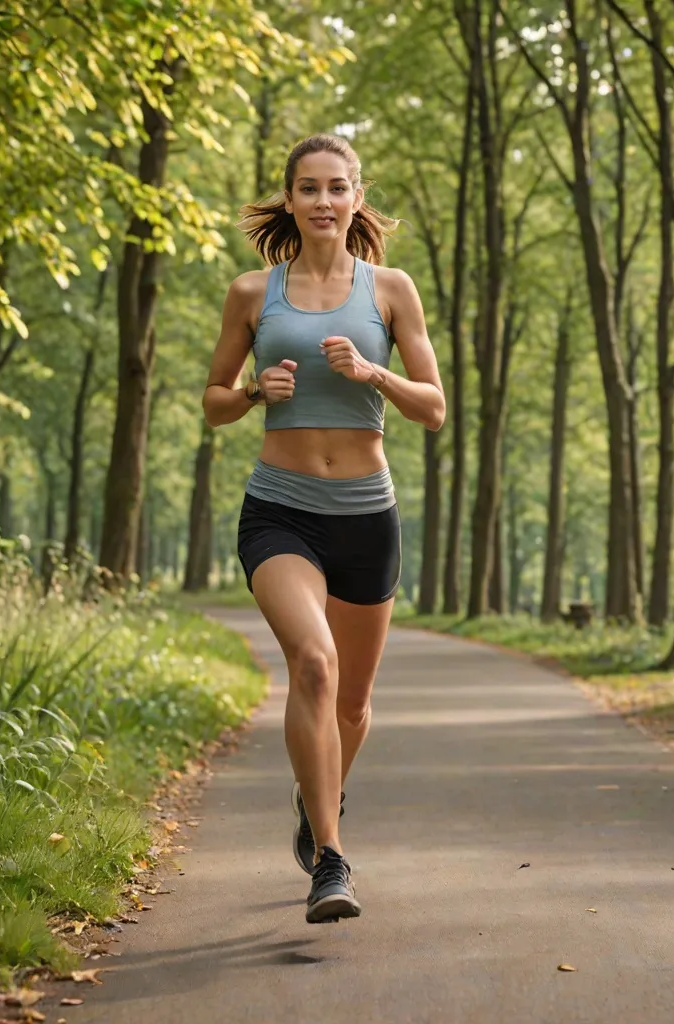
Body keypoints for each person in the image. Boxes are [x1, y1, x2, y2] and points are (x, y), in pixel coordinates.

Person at [202, 133, 445, 924]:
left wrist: (373, 373)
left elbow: (434, 408)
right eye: (308, 188)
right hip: (280, 509)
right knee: (313, 663)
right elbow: (213, 401)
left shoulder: (391, 290)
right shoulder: (252, 293)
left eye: (337, 187)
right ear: (290, 198)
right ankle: (332, 862)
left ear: (356, 198)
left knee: (353, 704)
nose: (322, 201)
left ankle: (319, 798)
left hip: (367, 515)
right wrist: (253, 393)